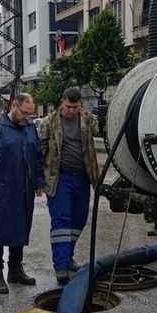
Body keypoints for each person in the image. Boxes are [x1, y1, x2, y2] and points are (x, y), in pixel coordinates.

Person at [0, 93, 46, 294]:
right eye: (25, 113)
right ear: (14, 106)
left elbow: (37, 156)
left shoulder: (30, 128)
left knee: (21, 227)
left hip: (25, 188)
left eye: (30, 114)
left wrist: (39, 181)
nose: (28, 118)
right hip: (2, 189)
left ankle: (15, 268)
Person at [38, 87, 101, 284]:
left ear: (80, 103)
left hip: (83, 178)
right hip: (60, 179)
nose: (72, 111)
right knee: (61, 222)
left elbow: (103, 132)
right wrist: (38, 180)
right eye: (68, 107)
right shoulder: (49, 122)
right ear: (61, 102)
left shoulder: (88, 119)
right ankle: (61, 266)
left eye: (75, 107)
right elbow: (40, 151)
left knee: (79, 220)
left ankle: (68, 256)